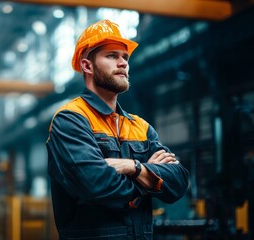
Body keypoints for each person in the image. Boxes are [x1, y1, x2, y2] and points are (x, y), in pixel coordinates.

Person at [46, 19, 190, 239]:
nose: (123, 63)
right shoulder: (70, 120)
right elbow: (96, 185)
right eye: (112, 56)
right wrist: (148, 181)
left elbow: (178, 181)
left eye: (125, 57)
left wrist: (133, 167)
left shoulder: (140, 126)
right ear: (87, 66)